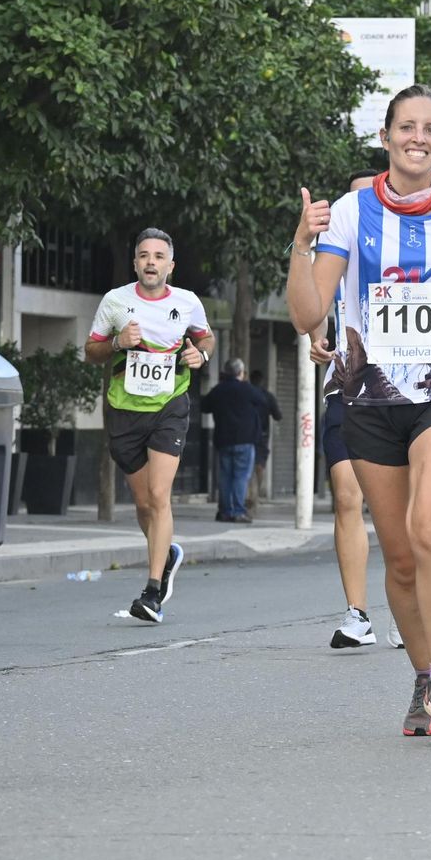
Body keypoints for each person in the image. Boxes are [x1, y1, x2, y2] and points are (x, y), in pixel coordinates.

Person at [286, 83, 431, 737]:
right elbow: (310, 314)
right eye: (407, 127)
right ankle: (423, 680)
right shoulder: (349, 215)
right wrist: (301, 247)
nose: (418, 138)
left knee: (430, 528)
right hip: (367, 395)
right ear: (387, 137)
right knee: (396, 556)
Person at [84, 227, 215, 624]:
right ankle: (167, 552)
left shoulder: (188, 302)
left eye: (159, 256)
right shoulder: (115, 301)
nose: (151, 262)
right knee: (143, 504)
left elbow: (205, 340)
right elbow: (90, 352)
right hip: (124, 409)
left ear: (170, 266)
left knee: (159, 495)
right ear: (135, 262)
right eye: (144, 255)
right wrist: (118, 343)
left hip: (170, 406)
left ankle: (152, 592)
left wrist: (200, 357)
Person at [311, 170, 402, 650]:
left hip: (408, 393)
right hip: (346, 387)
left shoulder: (414, 246)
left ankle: (407, 605)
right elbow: (313, 308)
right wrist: (316, 342)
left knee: (400, 511)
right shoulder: (333, 249)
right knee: (347, 497)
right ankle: (357, 614)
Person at [202, 358, 266, 524]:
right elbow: (263, 401)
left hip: (223, 440)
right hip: (244, 440)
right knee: (240, 477)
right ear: (241, 373)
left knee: (225, 477)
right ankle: (238, 512)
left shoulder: (218, 389)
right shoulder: (247, 389)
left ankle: (224, 511)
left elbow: (204, 406)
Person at [245, 369, 283, 509]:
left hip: (247, 434)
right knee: (259, 467)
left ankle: (250, 495)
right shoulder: (267, 396)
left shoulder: (246, 393)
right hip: (262, 435)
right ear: (262, 381)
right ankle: (254, 496)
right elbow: (278, 415)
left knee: (247, 467)